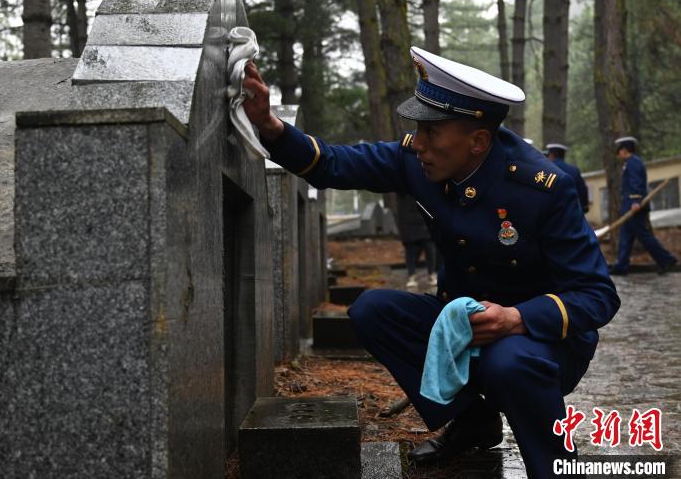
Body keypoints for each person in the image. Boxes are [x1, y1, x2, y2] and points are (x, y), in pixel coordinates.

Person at [242, 47, 620, 478]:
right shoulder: (418, 161)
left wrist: (516, 318)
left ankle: (554, 465)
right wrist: (269, 125)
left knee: (507, 362)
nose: (418, 143)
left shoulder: (542, 188)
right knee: (372, 311)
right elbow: (333, 164)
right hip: (465, 326)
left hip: (541, 341)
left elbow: (598, 295)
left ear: (478, 141)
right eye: (417, 129)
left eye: (431, 132)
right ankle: (472, 420)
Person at [609, 136, 677, 276]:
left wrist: (635, 201)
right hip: (630, 205)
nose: (619, 153)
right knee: (625, 236)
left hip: (634, 206)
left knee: (643, 236)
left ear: (625, 150)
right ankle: (621, 265)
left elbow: (636, 183)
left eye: (620, 150)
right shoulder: (631, 162)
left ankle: (666, 259)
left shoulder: (633, 163)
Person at [396, 192, 438, 289]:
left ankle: (432, 274)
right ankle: (412, 276)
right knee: (411, 250)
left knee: (429, 248)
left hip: (424, 220)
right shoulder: (402, 191)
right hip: (408, 221)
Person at [545, 143, 589, 213]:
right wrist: (584, 207)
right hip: (571, 212)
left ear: (551, 154)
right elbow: (582, 190)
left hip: (549, 212)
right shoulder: (574, 170)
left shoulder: (546, 169)